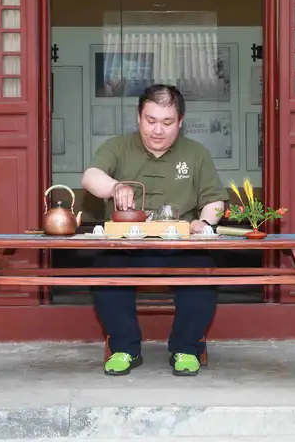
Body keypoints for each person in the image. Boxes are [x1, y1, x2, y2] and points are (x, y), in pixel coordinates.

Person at [81, 84, 228, 377]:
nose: (157, 130)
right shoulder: (117, 147)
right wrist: (115, 187)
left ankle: (186, 349)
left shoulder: (196, 154)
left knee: (204, 270)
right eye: (150, 120)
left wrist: (205, 222)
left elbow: (215, 199)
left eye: (167, 122)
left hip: (179, 247)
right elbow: (90, 177)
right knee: (104, 269)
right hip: (127, 247)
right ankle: (124, 348)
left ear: (181, 122)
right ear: (138, 117)